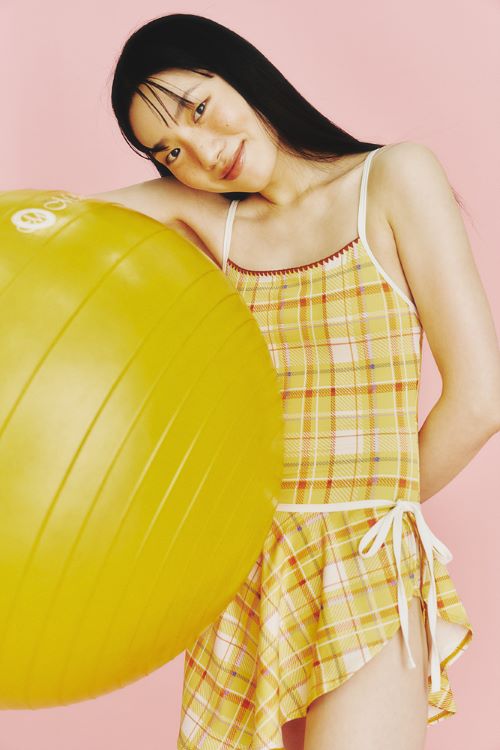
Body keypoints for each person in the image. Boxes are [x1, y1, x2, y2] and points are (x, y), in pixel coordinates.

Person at [87, 13, 500, 750]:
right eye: (170, 151)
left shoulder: (392, 178)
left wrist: (368, 516)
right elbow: (62, 221)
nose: (203, 153)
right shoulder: (214, 222)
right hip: (243, 572)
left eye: (200, 108)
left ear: (239, 72)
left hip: (360, 563)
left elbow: (480, 399)